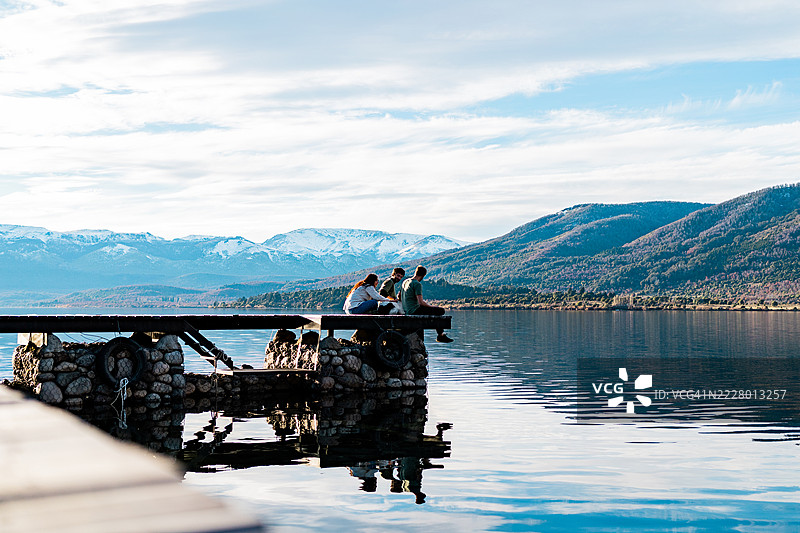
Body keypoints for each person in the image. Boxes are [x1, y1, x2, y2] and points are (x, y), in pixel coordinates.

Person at [400, 265, 453, 342]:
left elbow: (400, 296)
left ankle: (440, 335)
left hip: (406, 310)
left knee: (435, 312)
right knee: (440, 311)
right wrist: (431, 307)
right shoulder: (417, 284)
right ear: (423, 275)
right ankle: (440, 335)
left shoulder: (405, 281)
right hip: (414, 310)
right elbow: (420, 302)